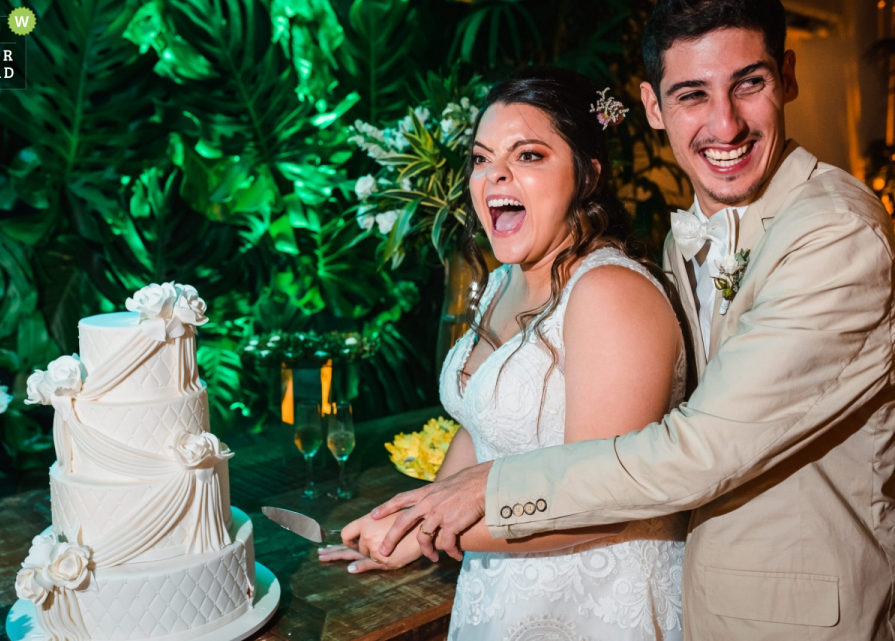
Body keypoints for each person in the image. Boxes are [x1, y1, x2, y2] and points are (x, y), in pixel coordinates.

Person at [369, 1, 895, 639]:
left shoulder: (837, 235)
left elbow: (698, 450)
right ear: (653, 108)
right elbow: (487, 424)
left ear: (785, 78)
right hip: (697, 598)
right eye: (692, 94)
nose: (723, 124)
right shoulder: (688, 239)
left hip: (796, 618)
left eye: (748, 84)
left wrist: (485, 496)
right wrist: (413, 517)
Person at [320, 66, 690, 640]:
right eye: (481, 158)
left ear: (587, 175)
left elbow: (598, 497)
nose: (495, 176)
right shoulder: (500, 282)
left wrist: (424, 533)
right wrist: (412, 516)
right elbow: (481, 424)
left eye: (529, 156)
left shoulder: (611, 293)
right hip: (499, 591)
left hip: (596, 604)